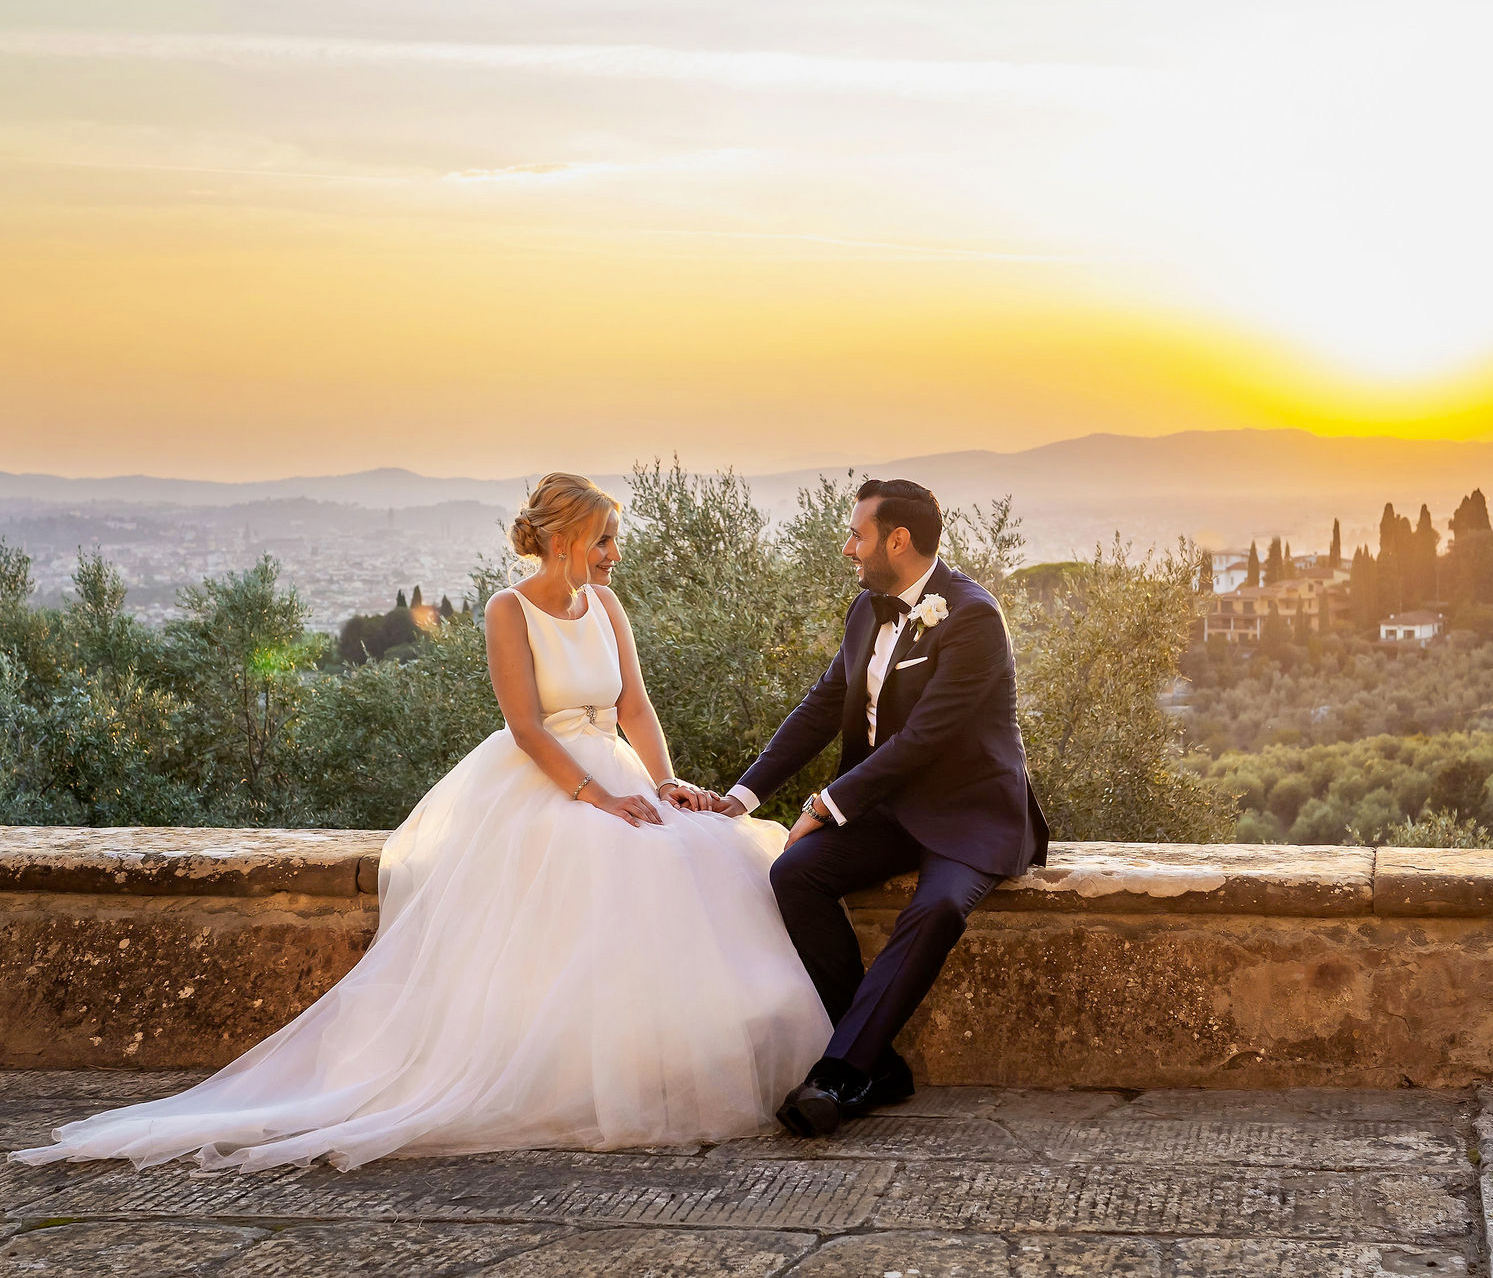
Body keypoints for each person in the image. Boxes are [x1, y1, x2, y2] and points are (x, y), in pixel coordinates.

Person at [12, 473, 829, 1172]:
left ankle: (667, 1061)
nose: (615, 552)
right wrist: (599, 798)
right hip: (551, 782)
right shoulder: (508, 611)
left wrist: (663, 782)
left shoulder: (609, 605)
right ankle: (556, 1071)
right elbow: (527, 727)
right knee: (590, 880)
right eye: (606, 538)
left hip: (617, 769)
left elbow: (637, 706)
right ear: (570, 537)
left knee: (703, 854)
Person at [683, 477, 1047, 1138]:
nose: (848, 547)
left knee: (936, 906)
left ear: (898, 540)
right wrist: (739, 796)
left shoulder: (973, 617)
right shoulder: (867, 610)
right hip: (891, 810)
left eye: (858, 534)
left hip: (969, 813)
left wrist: (826, 802)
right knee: (795, 874)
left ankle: (840, 1077)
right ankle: (875, 1062)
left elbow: (925, 737)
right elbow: (821, 708)